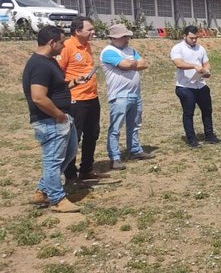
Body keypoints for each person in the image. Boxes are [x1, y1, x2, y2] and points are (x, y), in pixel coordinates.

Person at [23, 25, 85, 212]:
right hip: (50, 120)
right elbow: (38, 96)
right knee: (53, 160)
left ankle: (43, 190)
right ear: (51, 43)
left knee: (69, 153)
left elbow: (55, 88)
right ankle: (57, 199)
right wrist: (58, 115)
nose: (64, 46)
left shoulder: (49, 62)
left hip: (62, 119)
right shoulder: (40, 65)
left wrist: (73, 83)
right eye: (61, 42)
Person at [58, 16, 108, 182]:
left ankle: (86, 169)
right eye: (90, 29)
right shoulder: (67, 47)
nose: (93, 32)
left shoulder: (86, 46)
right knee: (74, 137)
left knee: (92, 134)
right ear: (77, 31)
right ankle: (70, 174)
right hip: (75, 100)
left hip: (92, 97)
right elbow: (57, 74)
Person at [100, 24, 154, 169]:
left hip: (135, 93)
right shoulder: (108, 52)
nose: (127, 39)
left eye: (127, 36)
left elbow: (144, 64)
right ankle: (115, 156)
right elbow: (125, 64)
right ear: (114, 38)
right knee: (116, 127)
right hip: (119, 95)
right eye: (124, 37)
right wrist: (133, 64)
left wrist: (133, 64)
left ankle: (135, 149)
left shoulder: (130, 50)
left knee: (135, 124)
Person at [170, 25, 221, 147]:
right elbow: (178, 63)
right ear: (185, 36)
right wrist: (194, 66)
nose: (194, 40)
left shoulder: (200, 48)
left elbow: (206, 63)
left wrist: (207, 71)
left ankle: (209, 135)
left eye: (196, 38)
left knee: (207, 110)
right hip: (185, 86)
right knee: (189, 113)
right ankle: (191, 138)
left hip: (201, 85)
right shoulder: (178, 48)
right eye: (191, 38)